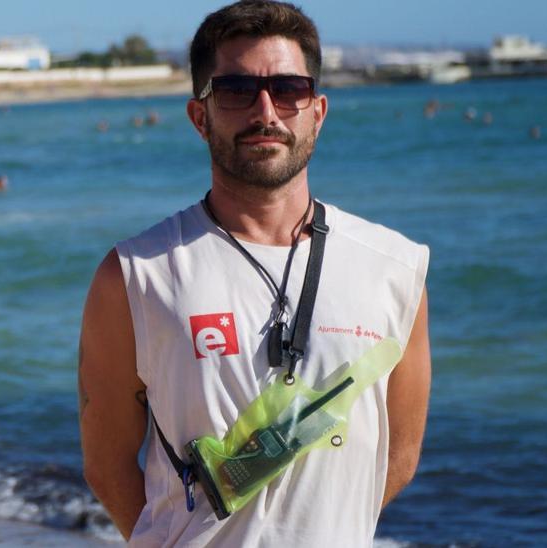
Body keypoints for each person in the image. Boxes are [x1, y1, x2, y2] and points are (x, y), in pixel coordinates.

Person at [77, 2, 430, 546]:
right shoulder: (136, 274)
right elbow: (106, 465)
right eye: (238, 90)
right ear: (201, 116)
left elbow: (398, 457)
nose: (266, 112)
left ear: (317, 111)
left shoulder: (394, 268)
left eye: (289, 90)